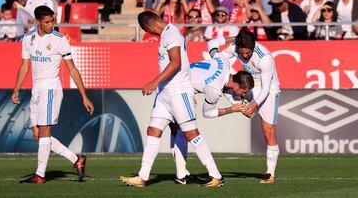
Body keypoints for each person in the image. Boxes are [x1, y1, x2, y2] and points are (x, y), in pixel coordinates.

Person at [119, 11, 223, 187]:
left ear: (149, 27)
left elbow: (176, 62)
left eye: (148, 31)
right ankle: (143, 177)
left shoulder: (171, 34)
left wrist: (154, 81)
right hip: (165, 94)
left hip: (179, 92)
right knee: (153, 130)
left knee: (191, 134)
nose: (150, 34)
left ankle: (216, 176)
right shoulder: (167, 34)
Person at [11, 5, 94, 184]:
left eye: (53, 21)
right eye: (47, 22)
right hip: (36, 88)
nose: (51, 25)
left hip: (51, 88)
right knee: (38, 135)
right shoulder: (28, 38)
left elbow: (72, 68)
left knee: (45, 131)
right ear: (38, 22)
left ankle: (40, 175)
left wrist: (84, 96)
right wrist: (16, 88)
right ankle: (76, 160)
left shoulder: (59, 39)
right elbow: (25, 65)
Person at [210, 28, 281, 184]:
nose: (245, 56)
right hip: (249, 83)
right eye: (243, 53)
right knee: (226, 84)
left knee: (267, 129)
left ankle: (270, 173)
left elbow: (266, 88)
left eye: (248, 53)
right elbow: (221, 59)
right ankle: (240, 105)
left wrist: (254, 104)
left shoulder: (265, 58)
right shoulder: (235, 47)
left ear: (253, 47)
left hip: (267, 88)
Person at [171, 54, 255, 184]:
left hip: (175, 80)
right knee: (187, 131)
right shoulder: (214, 89)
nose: (244, 95)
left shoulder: (225, 62)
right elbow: (208, 113)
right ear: (236, 85)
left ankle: (181, 175)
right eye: (244, 92)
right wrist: (232, 109)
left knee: (174, 129)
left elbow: (213, 44)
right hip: (175, 90)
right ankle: (212, 175)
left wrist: (237, 104)